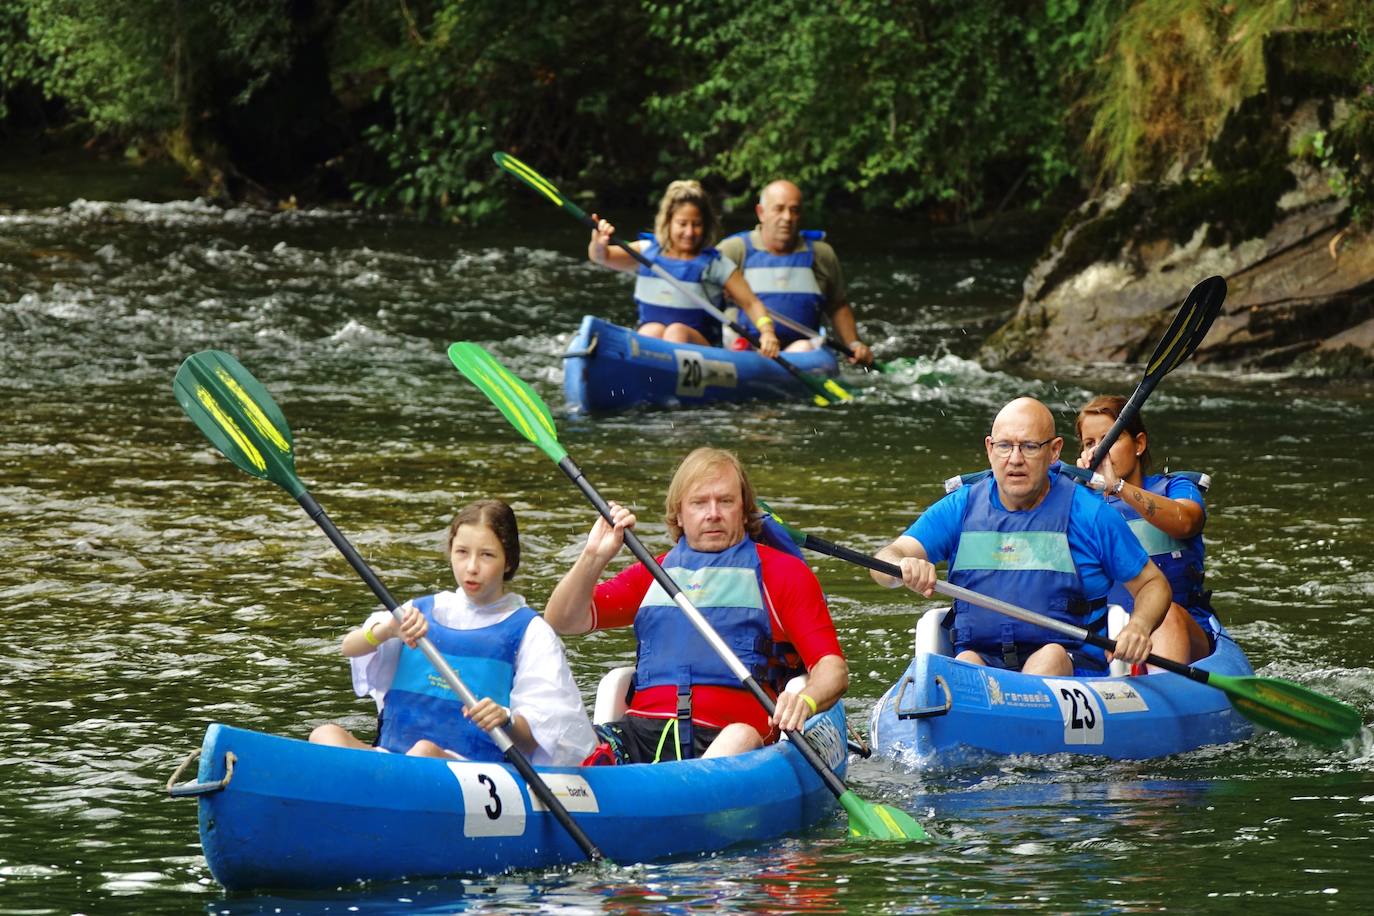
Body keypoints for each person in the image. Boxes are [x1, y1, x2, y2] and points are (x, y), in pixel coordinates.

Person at [543, 447, 848, 763]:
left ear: (744, 511)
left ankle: (681, 800)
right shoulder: (654, 573)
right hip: (639, 737)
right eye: (699, 503)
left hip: (734, 740)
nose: (713, 513)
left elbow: (832, 669)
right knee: (563, 741)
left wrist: (807, 701)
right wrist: (594, 556)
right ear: (679, 514)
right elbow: (562, 620)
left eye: (726, 501)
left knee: (739, 736)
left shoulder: (784, 575)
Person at [870, 397, 1172, 677]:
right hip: (981, 661)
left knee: (1049, 658)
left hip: (1072, 666)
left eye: (1029, 446)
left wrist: (1139, 626)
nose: (1015, 459)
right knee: (965, 662)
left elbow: (1152, 584)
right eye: (1004, 446)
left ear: (1054, 451)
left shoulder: (1089, 514)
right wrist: (903, 567)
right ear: (989, 448)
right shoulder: (960, 507)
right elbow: (884, 561)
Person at [309, 499, 596, 765]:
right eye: (462, 552)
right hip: (392, 760)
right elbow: (350, 646)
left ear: (508, 561)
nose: (471, 567)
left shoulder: (530, 631)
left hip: (469, 773)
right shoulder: (417, 612)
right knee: (325, 735)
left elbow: (546, 735)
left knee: (424, 752)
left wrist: (506, 719)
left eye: (486, 555)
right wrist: (387, 631)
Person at [1075, 395, 1215, 664]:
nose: (1099, 451)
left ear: (1139, 444)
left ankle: (1165, 693)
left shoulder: (1176, 487)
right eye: (1090, 443)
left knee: (1169, 614)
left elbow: (1186, 521)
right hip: (1108, 634)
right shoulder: (1077, 504)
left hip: (1180, 627)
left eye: (1110, 439)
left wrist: (1117, 487)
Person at [587, 179, 780, 357]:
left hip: (704, 352)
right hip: (653, 344)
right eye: (682, 224)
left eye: (696, 224)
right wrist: (599, 243)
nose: (689, 232)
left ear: (706, 226)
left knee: (676, 331)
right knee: (651, 330)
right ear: (668, 222)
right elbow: (601, 257)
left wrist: (767, 333)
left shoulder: (716, 264)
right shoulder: (646, 251)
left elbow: (751, 303)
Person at [717, 179, 874, 366]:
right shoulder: (733, 250)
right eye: (779, 209)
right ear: (761, 213)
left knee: (804, 347)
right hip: (744, 349)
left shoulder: (821, 254)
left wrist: (853, 343)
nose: (787, 217)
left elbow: (837, 305)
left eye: (794, 210)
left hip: (801, 350)